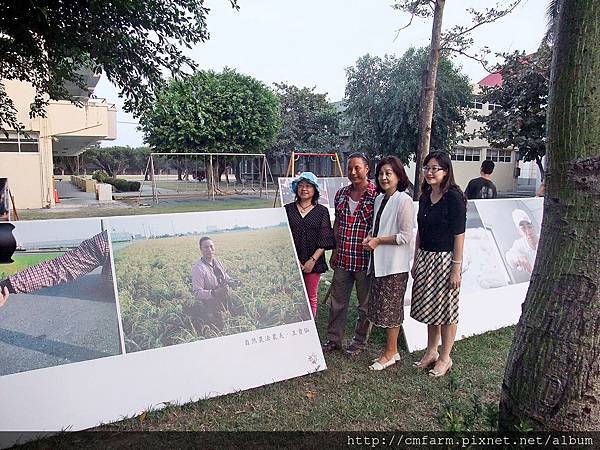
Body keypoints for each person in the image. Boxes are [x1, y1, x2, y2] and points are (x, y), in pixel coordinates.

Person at [410, 151, 467, 377]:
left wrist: (456, 268)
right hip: (425, 257)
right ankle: (431, 351)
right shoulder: (425, 195)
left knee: (446, 311)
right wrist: (416, 259)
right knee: (430, 309)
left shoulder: (454, 197)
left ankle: (445, 357)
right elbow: (419, 233)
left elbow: (459, 235)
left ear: (446, 171)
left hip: (445, 260)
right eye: (427, 168)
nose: (430, 172)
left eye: (435, 168)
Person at [323, 152, 377, 356]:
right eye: (349, 169)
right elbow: (338, 223)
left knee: (365, 305)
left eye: (357, 168)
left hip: (365, 261)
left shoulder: (376, 195)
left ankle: (359, 341)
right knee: (338, 302)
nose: (353, 172)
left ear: (367, 168)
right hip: (344, 258)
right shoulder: (341, 194)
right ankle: (334, 339)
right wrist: (335, 250)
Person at [362, 156, 414, 370]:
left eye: (388, 173)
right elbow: (378, 228)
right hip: (378, 262)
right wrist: (370, 237)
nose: (384, 177)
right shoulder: (379, 199)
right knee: (382, 308)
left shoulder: (404, 200)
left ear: (398, 176)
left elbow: (405, 236)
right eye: (381, 173)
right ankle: (390, 350)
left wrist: (378, 241)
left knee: (391, 310)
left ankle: (391, 352)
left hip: (394, 265)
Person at [0, 230, 112, 305]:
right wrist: (5, 286)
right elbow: (57, 269)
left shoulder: (106, 240)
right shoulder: (105, 241)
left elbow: (57, 269)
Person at [285, 172, 335, 319]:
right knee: (291, 295)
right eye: (300, 185)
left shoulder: (322, 212)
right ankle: (294, 325)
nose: (304, 189)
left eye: (308, 186)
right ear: (296, 189)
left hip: (313, 261)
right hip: (291, 260)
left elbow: (325, 238)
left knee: (311, 296)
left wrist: (312, 260)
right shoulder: (287, 209)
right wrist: (294, 260)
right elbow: (283, 236)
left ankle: (310, 328)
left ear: (315, 190)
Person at [190, 236, 239, 329]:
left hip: (226, 301)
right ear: (200, 249)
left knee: (233, 323)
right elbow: (197, 293)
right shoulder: (198, 268)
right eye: (206, 247)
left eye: (211, 246)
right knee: (221, 329)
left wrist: (233, 282)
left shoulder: (216, 261)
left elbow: (225, 276)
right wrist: (214, 293)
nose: (209, 249)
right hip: (211, 308)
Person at [505, 209, 539, 274]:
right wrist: (517, 258)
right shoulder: (519, 244)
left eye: (529, 227)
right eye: (523, 228)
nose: (528, 232)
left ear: (533, 227)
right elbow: (509, 256)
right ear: (519, 232)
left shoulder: (543, 237)